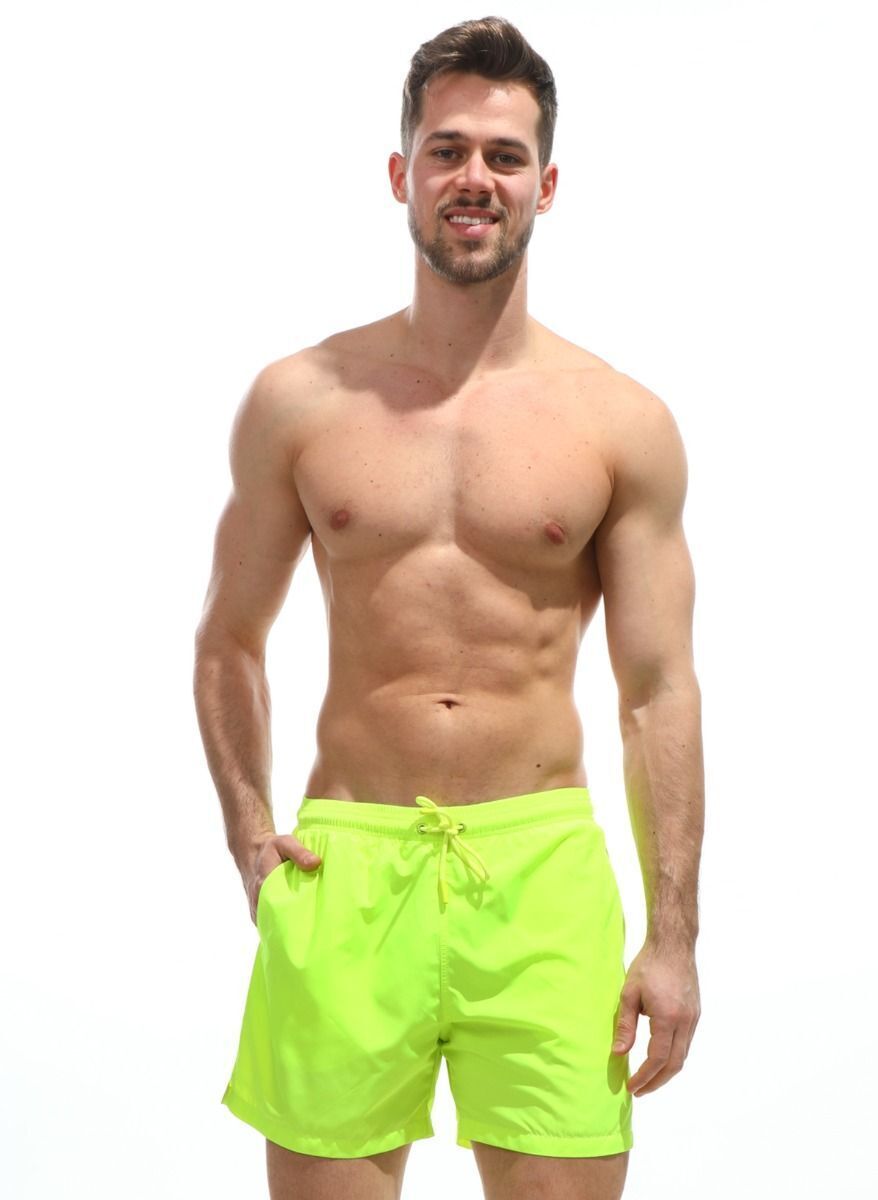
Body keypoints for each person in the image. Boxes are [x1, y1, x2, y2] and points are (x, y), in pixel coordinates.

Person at [193, 15, 704, 1200]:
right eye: (447, 150)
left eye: (504, 156)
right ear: (401, 174)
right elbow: (227, 638)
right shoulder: (300, 401)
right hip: (347, 866)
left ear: (545, 185)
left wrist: (672, 936)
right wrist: (248, 830)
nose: (475, 177)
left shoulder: (619, 422)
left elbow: (656, 690)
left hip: (540, 880)